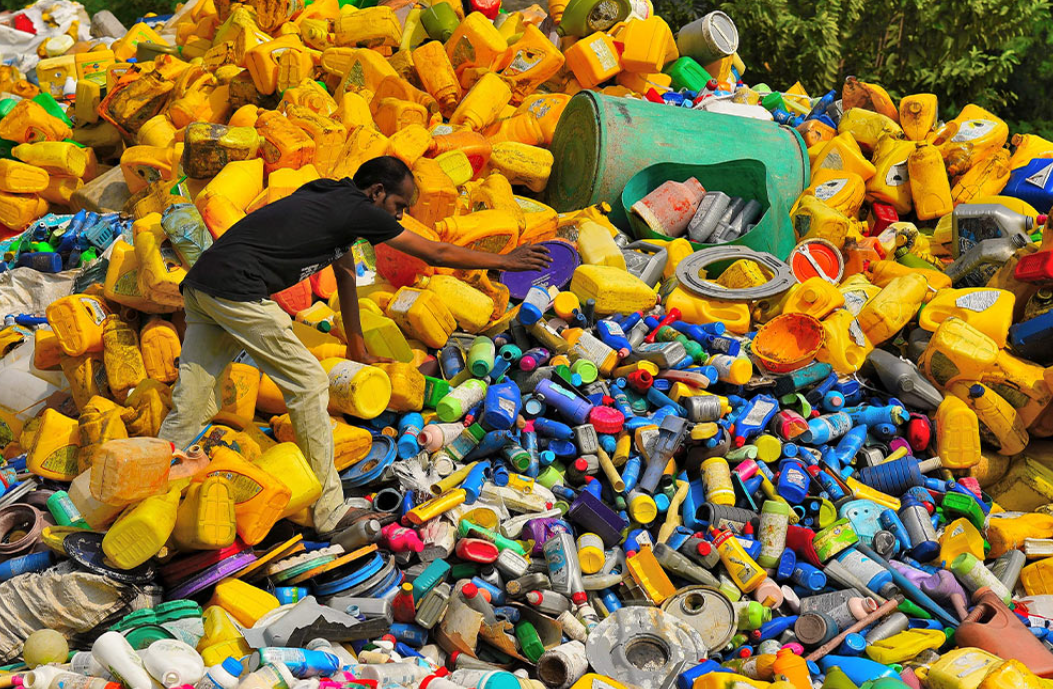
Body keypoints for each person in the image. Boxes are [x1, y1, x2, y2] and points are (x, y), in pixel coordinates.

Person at [159, 156, 551, 533]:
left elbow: (345, 274)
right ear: (377, 192)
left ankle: (148, 476)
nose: (399, 215)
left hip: (204, 286)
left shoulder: (333, 198)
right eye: (398, 205)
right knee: (309, 384)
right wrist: (505, 260)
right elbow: (437, 251)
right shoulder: (357, 209)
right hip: (237, 289)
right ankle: (329, 511)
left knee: (195, 400)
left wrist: (357, 347)